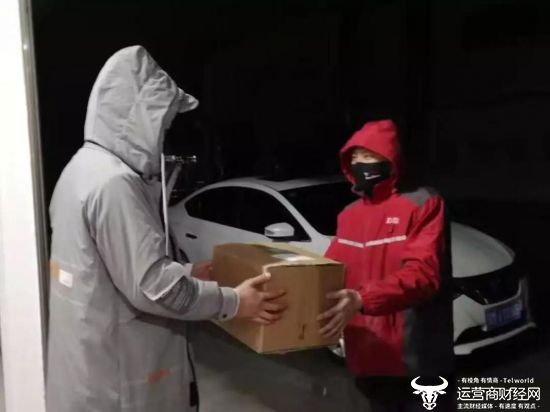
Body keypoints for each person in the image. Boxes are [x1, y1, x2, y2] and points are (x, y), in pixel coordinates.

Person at [46, 45, 285, 412]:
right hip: (121, 387)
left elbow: (115, 269)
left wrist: (188, 272)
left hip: (88, 374)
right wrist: (235, 302)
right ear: (139, 115)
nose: (165, 133)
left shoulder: (79, 170)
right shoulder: (114, 184)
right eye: (163, 121)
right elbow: (154, 288)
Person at [318, 119, 455, 412]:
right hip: (367, 353)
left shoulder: (422, 203)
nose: (359, 163)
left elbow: (424, 275)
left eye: (368, 156)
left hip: (415, 356)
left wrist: (362, 298)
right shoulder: (349, 215)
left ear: (389, 158)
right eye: (354, 158)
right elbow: (328, 270)